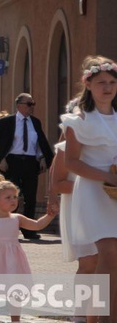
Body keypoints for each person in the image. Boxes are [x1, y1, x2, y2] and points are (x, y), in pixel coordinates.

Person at [63, 55, 117, 319]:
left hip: (116, 194)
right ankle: (99, 317)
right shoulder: (79, 120)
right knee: (108, 252)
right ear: (88, 85)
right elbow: (71, 162)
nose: (107, 87)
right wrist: (106, 176)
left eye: (112, 82)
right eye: (101, 82)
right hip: (93, 193)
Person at [0, 173, 57, 322]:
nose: (13, 200)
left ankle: (15, 319)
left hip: (13, 260)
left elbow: (37, 225)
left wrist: (50, 216)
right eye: (8, 198)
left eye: (15, 197)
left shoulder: (17, 219)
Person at [49, 102, 97, 302]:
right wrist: (96, 187)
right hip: (82, 209)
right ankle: (82, 311)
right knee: (89, 264)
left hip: (109, 207)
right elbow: (58, 182)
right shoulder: (66, 148)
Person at [0, 93, 53, 240]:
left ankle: (29, 230)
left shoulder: (35, 123)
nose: (32, 107)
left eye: (33, 104)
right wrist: (1, 159)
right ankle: (8, 227)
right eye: (29, 104)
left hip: (31, 162)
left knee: (30, 196)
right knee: (10, 196)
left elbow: (39, 143)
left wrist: (43, 158)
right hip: (12, 162)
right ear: (19, 106)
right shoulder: (6, 122)